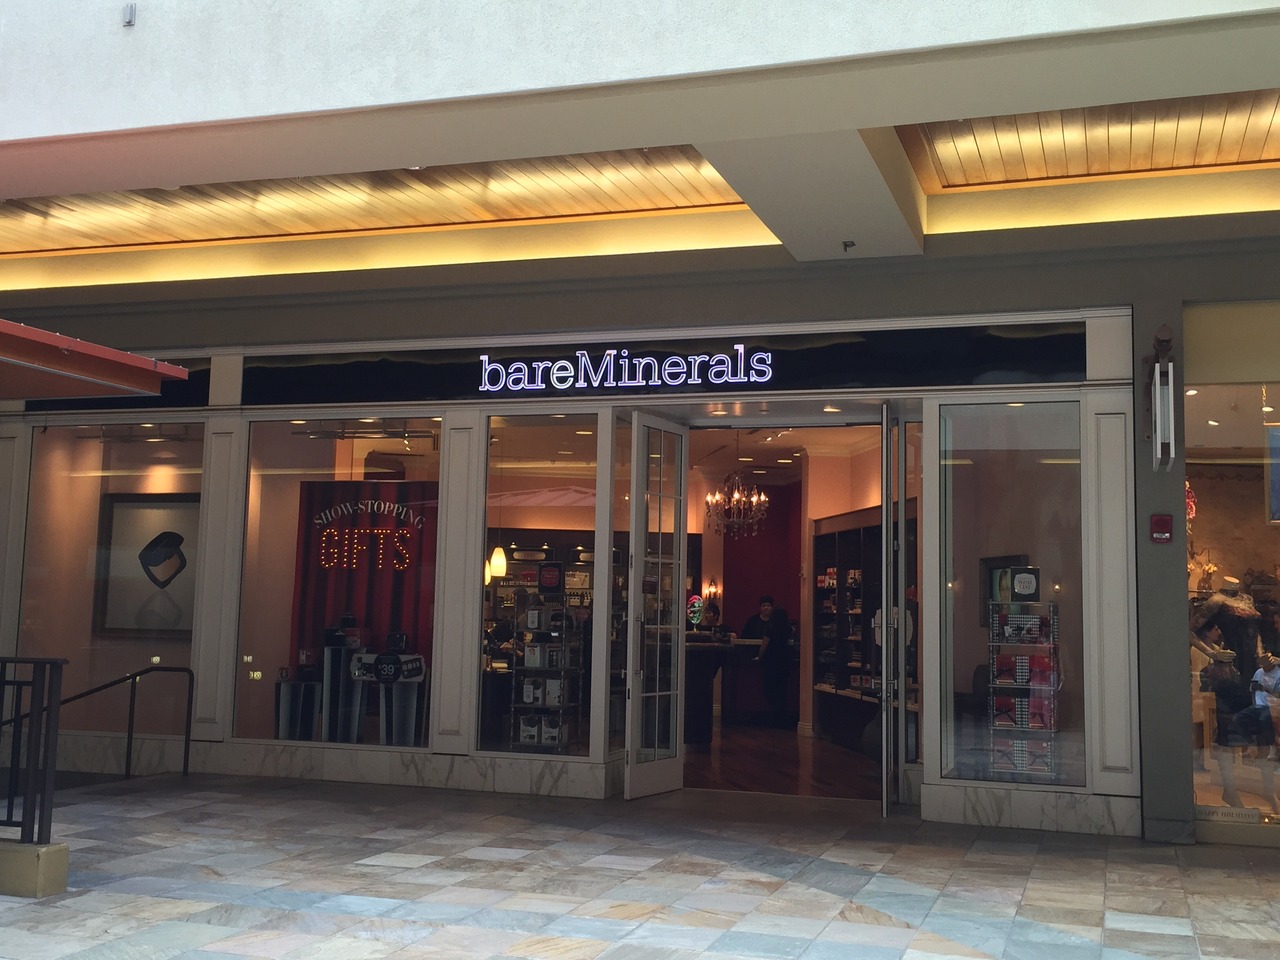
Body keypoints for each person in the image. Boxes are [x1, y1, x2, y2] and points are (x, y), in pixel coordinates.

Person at [741, 594, 793, 726]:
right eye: (764, 605)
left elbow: (763, 646)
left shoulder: (770, 629)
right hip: (785, 662)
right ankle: (781, 717)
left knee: (770, 689)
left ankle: (774, 717)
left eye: (768, 606)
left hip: (771, 662)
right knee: (782, 690)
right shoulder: (787, 629)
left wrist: (759, 657)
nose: (766, 608)